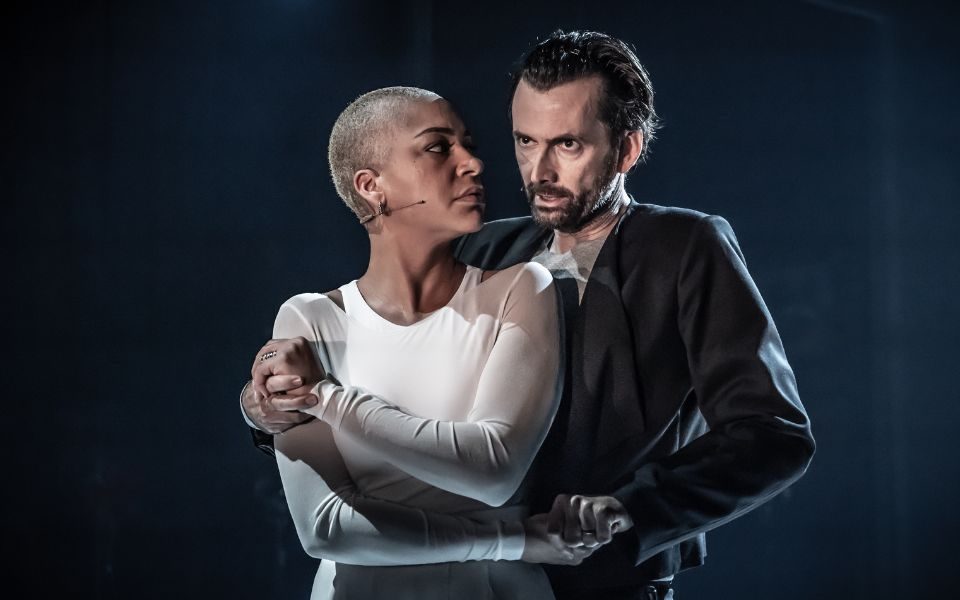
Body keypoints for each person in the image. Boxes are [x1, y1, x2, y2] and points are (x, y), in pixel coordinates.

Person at [245, 31, 815, 600]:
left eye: (567, 145)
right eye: (524, 140)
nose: (538, 170)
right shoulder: (481, 248)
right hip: (480, 573)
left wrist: (631, 507)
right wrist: (266, 405)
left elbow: (771, 434)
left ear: (626, 150)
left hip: (610, 581)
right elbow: (387, 361)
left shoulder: (687, 246)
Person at [252, 85, 606, 599]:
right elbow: (327, 528)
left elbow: (492, 471)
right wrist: (510, 541)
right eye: (439, 148)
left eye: (469, 144)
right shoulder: (309, 317)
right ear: (372, 186)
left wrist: (326, 398)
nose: (474, 164)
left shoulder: (522, 288)